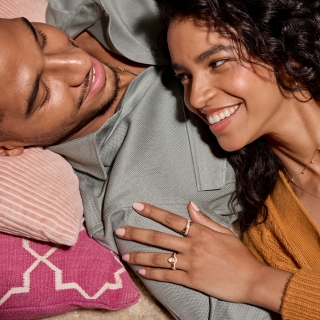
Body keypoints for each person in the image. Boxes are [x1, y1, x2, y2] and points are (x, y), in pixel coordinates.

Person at [0, 0, 275, 319]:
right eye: (43, 91)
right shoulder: (142, 211)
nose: (76, 62)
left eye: (41, 38)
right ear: (7, 146)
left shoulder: (80, 7)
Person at [115, 0, 320, 319]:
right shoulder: (269, 231)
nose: (195, 98)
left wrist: (257, 282)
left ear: (288, 50)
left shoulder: (260, 264)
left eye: (217, 62)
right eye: (184, 76)